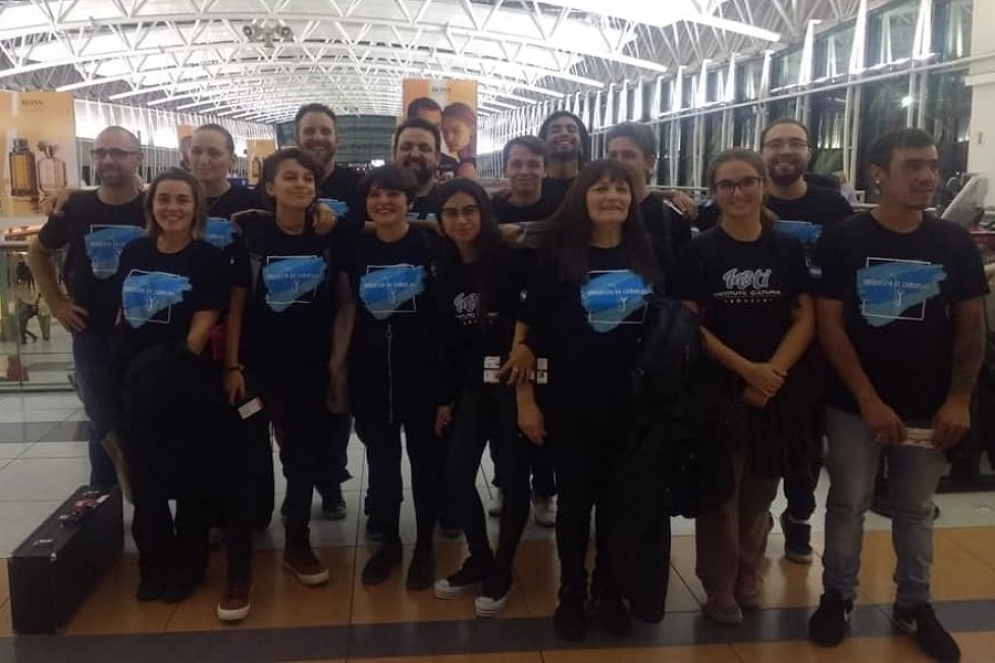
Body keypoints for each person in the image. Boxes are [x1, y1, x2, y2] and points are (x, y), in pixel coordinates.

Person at [809, 128, 988, 662]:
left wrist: (958, 400)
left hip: (929, 403)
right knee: (847, 503)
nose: (927, 176)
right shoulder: (843, 239)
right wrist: (866, 399)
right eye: (912, 166)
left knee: (915, 509)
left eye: (931, 165)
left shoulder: (952, 242)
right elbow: (830, 326)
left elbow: (972, 329)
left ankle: (915, 603)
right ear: (878, 174)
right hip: (852, 404)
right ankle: (837, 596)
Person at [514, 159, 663, 641]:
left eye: (621, 188)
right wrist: (526, 401)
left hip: (634, 406)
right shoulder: (557, 257)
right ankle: (572, 593)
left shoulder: (647, 255)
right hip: (571, 402)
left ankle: (609, 589)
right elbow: (528, 338)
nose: (612, 196)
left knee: (621, 506)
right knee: (576, 505)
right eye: (600, 188)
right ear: (582, 196)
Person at [669, 148, 815, 625]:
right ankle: (719, 584)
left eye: (747, 182)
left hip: (773, 392)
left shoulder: (786, 249)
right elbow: (690, 324)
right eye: (727, 185)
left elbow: (804, 316)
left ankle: (748, 572)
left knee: (759, 492)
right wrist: (746, 371)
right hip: (718, 393)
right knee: (720, 494)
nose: (738, 192)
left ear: (763, 185)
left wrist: (771, 372)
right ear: (714, 192)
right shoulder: (700, 251)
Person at [226, 148, 358, 590]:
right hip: (257, 366)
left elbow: (344, 304)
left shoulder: (328, 237)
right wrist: (232, 364)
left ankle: (298, 539)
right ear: (269, 186)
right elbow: (238, 307)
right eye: (289, 177)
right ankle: (239, 546)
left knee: (302, 458)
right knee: (246, 457)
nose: (300, 184)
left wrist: (337, 365)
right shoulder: (251, 236)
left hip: (309, 366)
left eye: (307, 179)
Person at [110, 168, 229, 608]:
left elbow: (201, 328)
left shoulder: (208, 259)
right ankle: (154, 564)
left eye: (182, 200)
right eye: (164, 199)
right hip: (133, 379)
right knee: (146, 479)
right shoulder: (135, 251)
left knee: (190, 476)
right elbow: (123, 312)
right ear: (151, 205)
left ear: (196, 207)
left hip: (182, 379)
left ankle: (188, 565)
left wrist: (166, 366)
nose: (172, 208)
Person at [332, 165, 445, 591]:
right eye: (376, 195)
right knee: (381, 466)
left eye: (394, 195)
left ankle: (425, 548)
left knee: (425, 463)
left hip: (423, 375)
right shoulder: (356, 249)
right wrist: (339, 369)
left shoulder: (431, 245)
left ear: (409, 201)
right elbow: (346, 309)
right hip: (371, 373)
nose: (384, 202)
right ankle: (392, 542)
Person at [432, 178, 533, 616]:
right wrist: (444, 397)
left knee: (511, 479)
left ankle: (503, 568)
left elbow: (533, 324)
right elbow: (447, 341)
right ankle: (480, 557)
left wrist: (528, 394)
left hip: (513, 387)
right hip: (472, 389)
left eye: (469, 210)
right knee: (456, 475)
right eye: (450, 213)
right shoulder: (444, 267)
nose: (461, 220)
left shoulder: (513, 260)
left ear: (485, 214)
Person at [28, 125, 146, 487]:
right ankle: (103, 502)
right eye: (100, 153)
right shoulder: (76, 207)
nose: (107, 160)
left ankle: (151, 501)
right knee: (101, 418)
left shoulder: (155, 204)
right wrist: (56, 302)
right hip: (92, 331)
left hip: (147, 330)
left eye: (118, 153)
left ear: (138, 158)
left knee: (146, 414)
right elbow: (37, 251)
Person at [488, 135, 560, 526]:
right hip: (500, 323)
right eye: (517, 164)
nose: (525, 171)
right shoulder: (491, 210)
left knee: (545, 407)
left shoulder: (563, 210)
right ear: (505, 169)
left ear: (545, 168)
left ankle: (545, 489)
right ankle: (504, 482)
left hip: (546, 325)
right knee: (503, 410)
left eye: (533, 163)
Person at [606, 122, 693, 271]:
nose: (618, 162)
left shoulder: (672, 218)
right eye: (613, 155)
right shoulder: (599, 211)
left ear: (649, 162)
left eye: (628, 155)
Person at [406, 97, 461, 179]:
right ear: (410, 124)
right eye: (426, 125)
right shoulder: (400, 165)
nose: (433, 131)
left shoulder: (451, 164)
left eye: (437, 125)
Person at [441, 102, 477, 179]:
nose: (449, 138)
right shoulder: (465, 162)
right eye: (444, 131)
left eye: (456, 131)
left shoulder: (467, 168)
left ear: (472, 129)